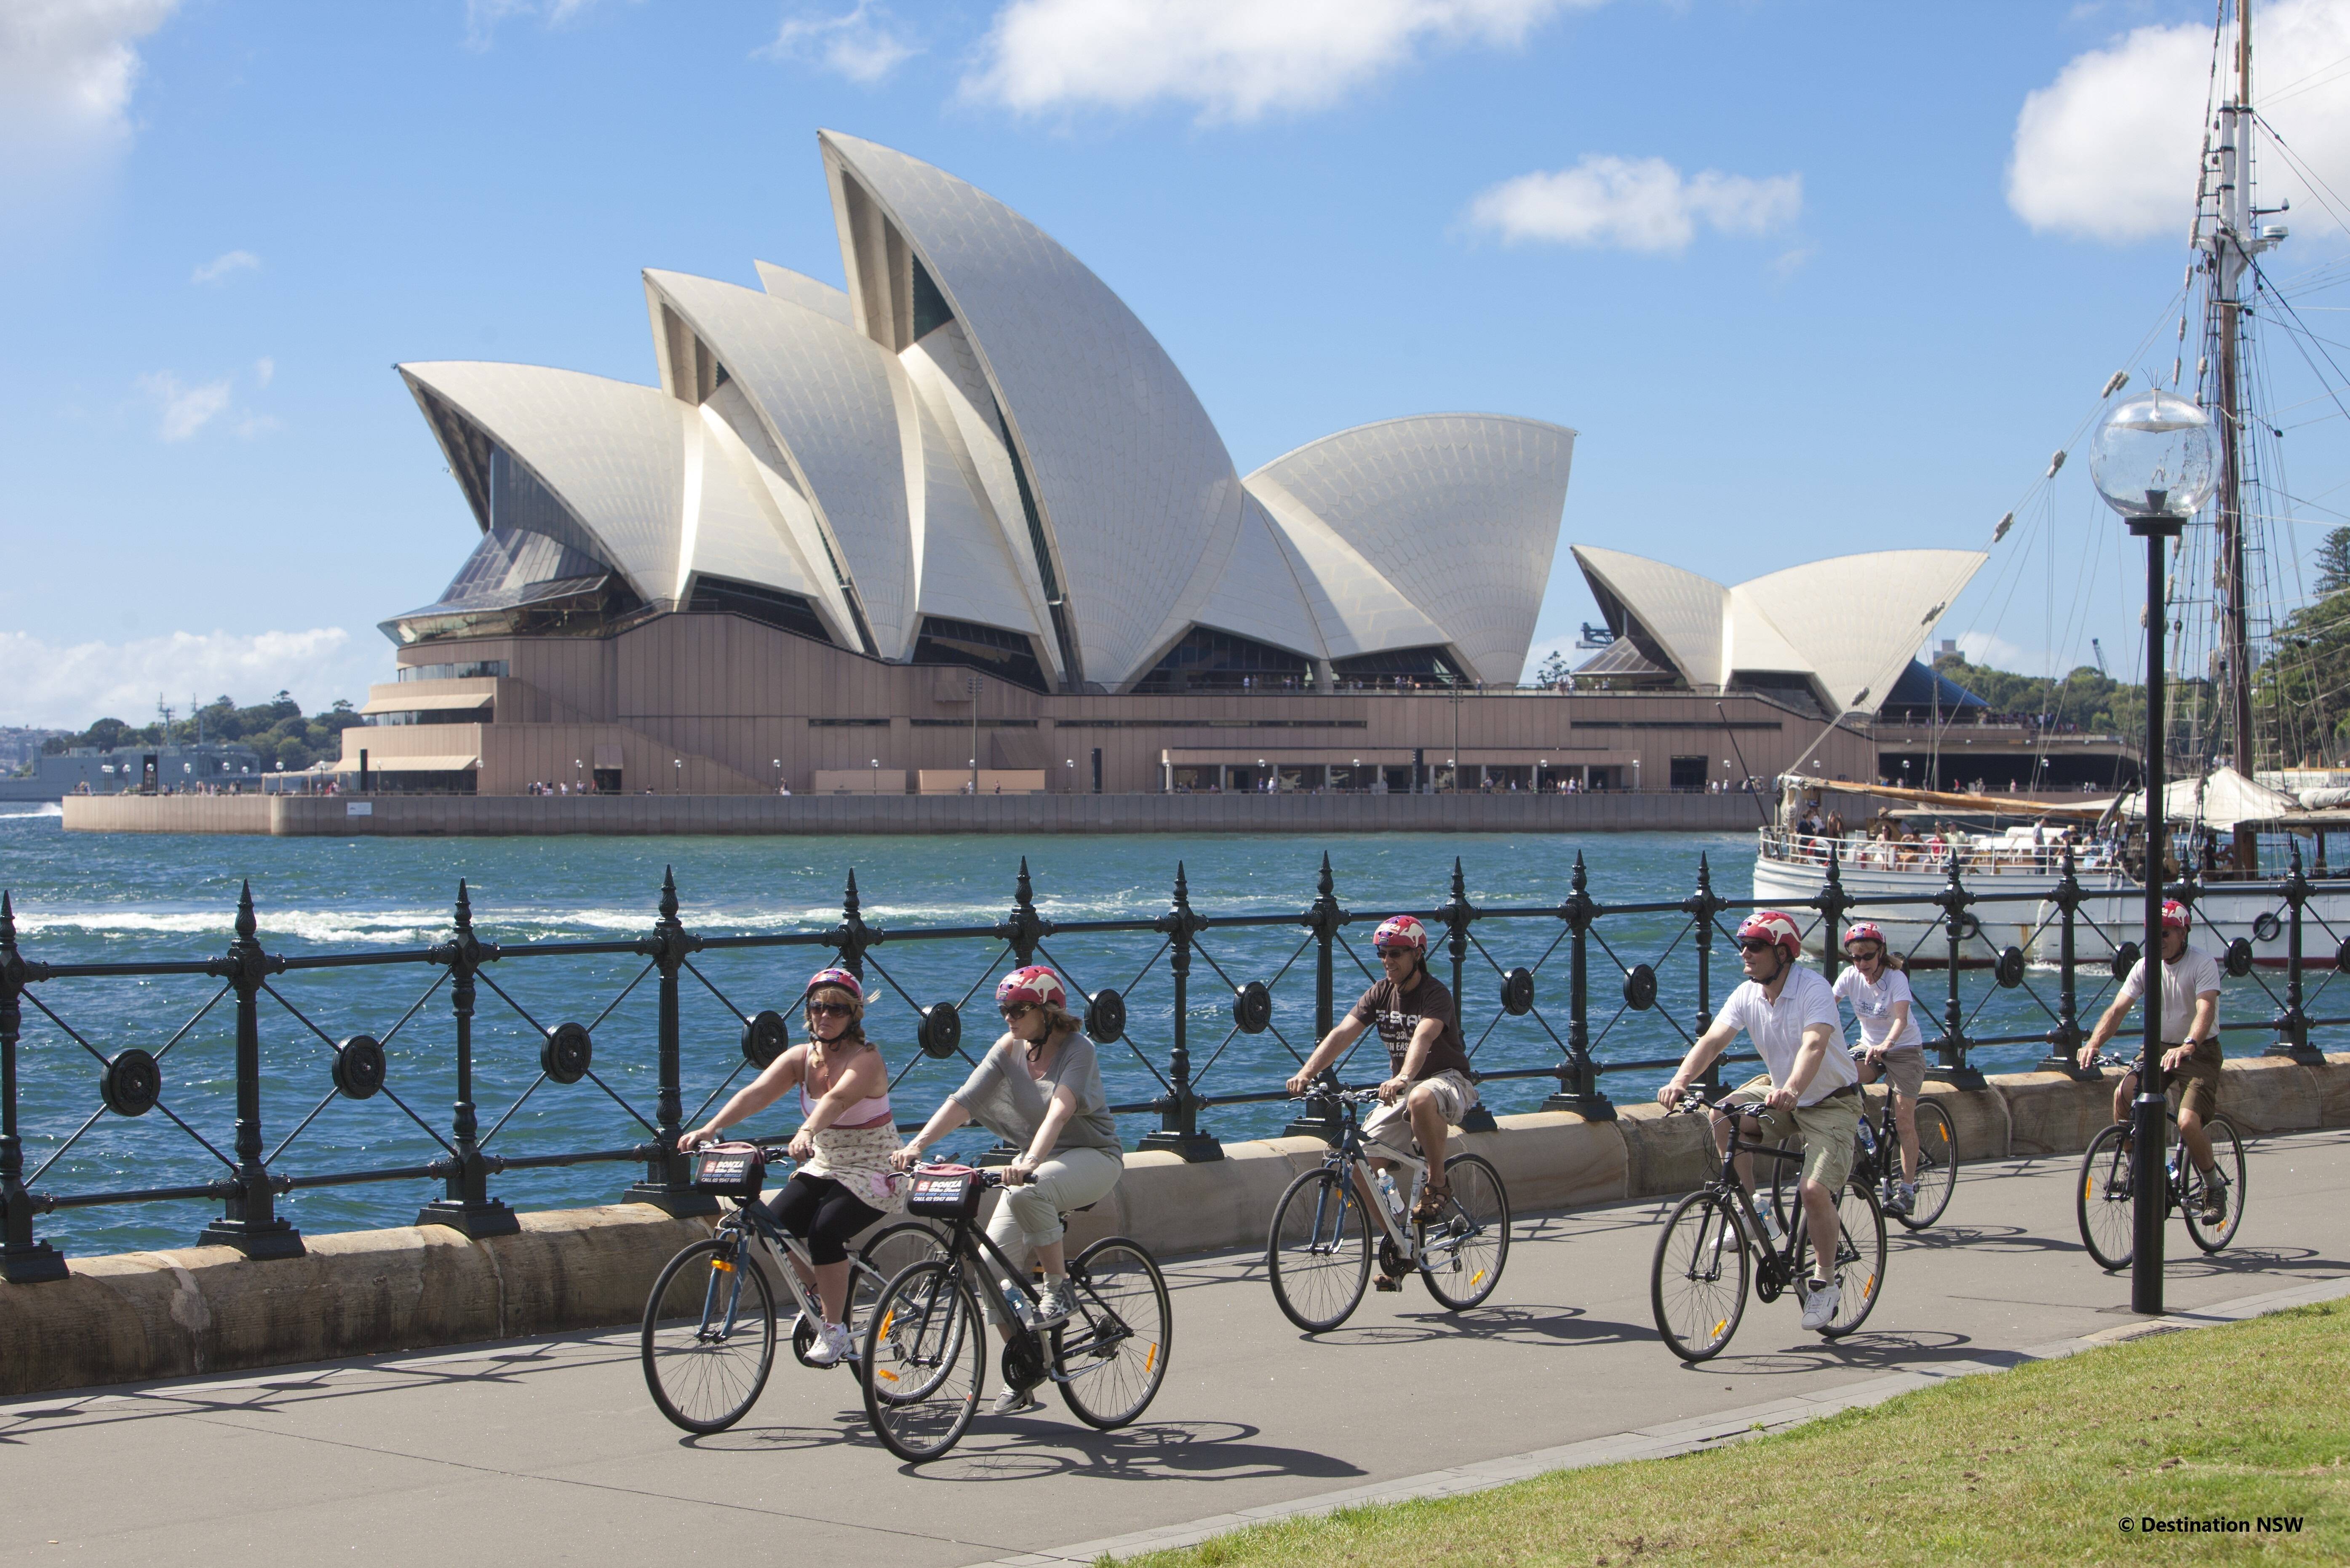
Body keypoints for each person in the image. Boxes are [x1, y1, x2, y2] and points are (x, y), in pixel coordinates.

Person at [892, 965, 1123, 1415]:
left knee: (1025, 1192)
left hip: (1093, 1156)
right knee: (986, 1266)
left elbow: (1060, 1109)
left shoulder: (1079, 1049)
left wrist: (1031, 1161)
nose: (1009, 1018)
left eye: (1018, 1009)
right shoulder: (1010, 1048)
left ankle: (1058, 1289)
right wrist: (916, 1144)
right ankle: (1026, 1368)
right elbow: (965, 1101)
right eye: (1004, 1010)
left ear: (1048, 1011)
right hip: (1038, 1162)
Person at [678, 967, 903, 1366]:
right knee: (775, 1223)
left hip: (874, 1168)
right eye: (817, 1006)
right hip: (827, 1163)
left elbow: (836, 1100)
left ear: (853, 1015)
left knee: (825, 1229)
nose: (825, 1015)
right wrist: (711, 1127)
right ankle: (823, 1293)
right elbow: (757, 1092)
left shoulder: (866, 1059)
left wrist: (806, 1130)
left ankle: (836, 1330)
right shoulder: (802, 1057)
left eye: (836, 1008)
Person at [1656, 910, 1861, 1333]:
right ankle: (1756, 1213)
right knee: (1723, 1114)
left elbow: (1815, 1043)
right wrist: (1680, 1080)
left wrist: (1794, 1089)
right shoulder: (1748, 994)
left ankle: (1824, 1281)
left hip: (1829, 1102)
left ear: (1783, 953)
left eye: (1756, 946)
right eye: (1743, 946)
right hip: (1779, 1093)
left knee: (1814, 1190)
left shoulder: (1813, 988)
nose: (1745, 954)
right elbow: (1713, 1040)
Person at [1284, 915, 1479, 1288]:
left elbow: (1423, 1038)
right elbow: (1343, 1032)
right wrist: (1307, 1073)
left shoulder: (1435, 994)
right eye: (1383, 953)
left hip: (1447, 1080)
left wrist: (1405, 1077)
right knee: (1353, 1164)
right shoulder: (1380, 992)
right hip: (1402, 1087)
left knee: (1421, 1097)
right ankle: (1403, 1237)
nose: (1388, 960)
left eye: (1397, 954)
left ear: (1418, 954)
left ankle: (1438, 1184)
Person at [2076, 899, 2229, 1222]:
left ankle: (2214, 1187)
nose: (2159, 938)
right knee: (2123, 1095)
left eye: (2168, 932)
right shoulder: (2146, 966)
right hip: (2158, 1048)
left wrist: (2189, 1044)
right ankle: (2137, 1170)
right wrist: (2093, 1043)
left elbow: (2205, 1010)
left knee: (2187, 1122)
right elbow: (2118, 1010)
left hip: (2199, 1052)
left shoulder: (2203, 963)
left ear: (2184, 933)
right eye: (2154, 932)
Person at [1833, 922, 1925, 1215]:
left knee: (1903, 1121)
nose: (1861, 964)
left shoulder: (1896, 977)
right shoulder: (1851, 976)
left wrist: (1888, 1042)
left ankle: (1908, 1191)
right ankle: (1867, 1138)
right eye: (1855, 958)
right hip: (1869, 1046)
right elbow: (1825, 1004)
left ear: (1881, 953)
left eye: (1867, 957)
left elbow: (1901, 1018)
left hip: (1904, 1049)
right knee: (1839, 1077)